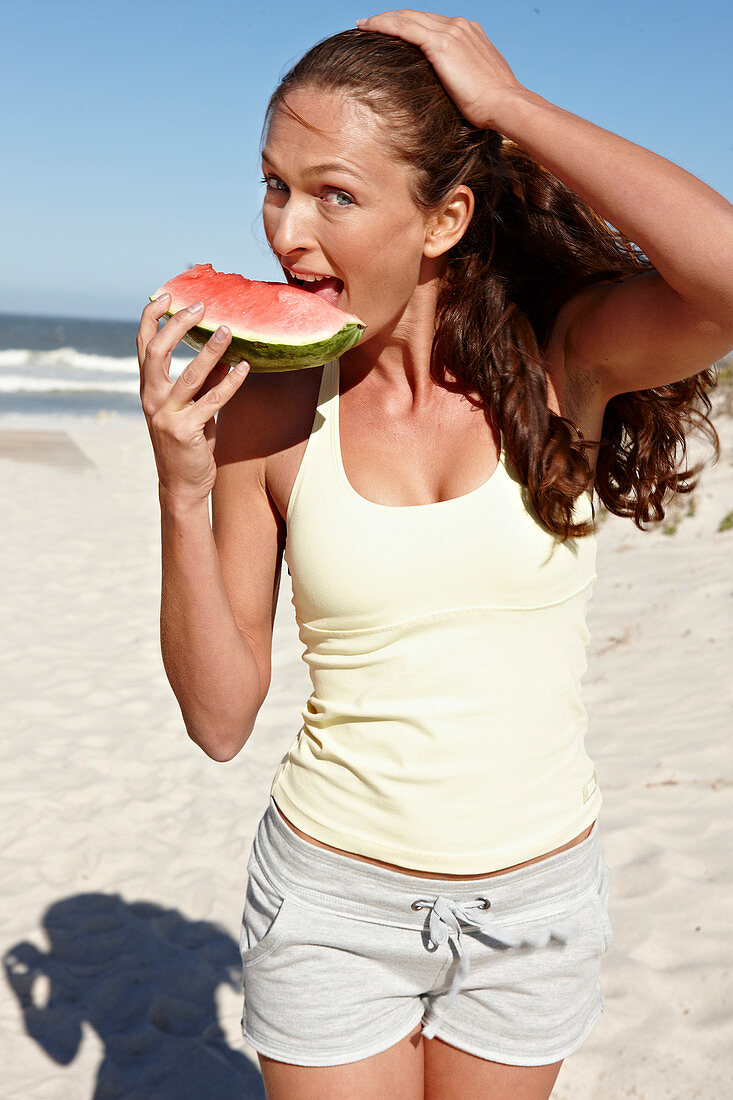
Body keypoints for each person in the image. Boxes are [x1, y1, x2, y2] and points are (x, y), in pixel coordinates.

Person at [136, 12, 732, 1099]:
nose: (288, 231)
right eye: (274, 185)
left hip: (534, 909)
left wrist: (509, 108)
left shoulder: (564, 366)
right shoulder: (268, 412)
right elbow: (220, 720)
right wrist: (181, 491)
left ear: (444, 217)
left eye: (335, 193)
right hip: (329, 897)